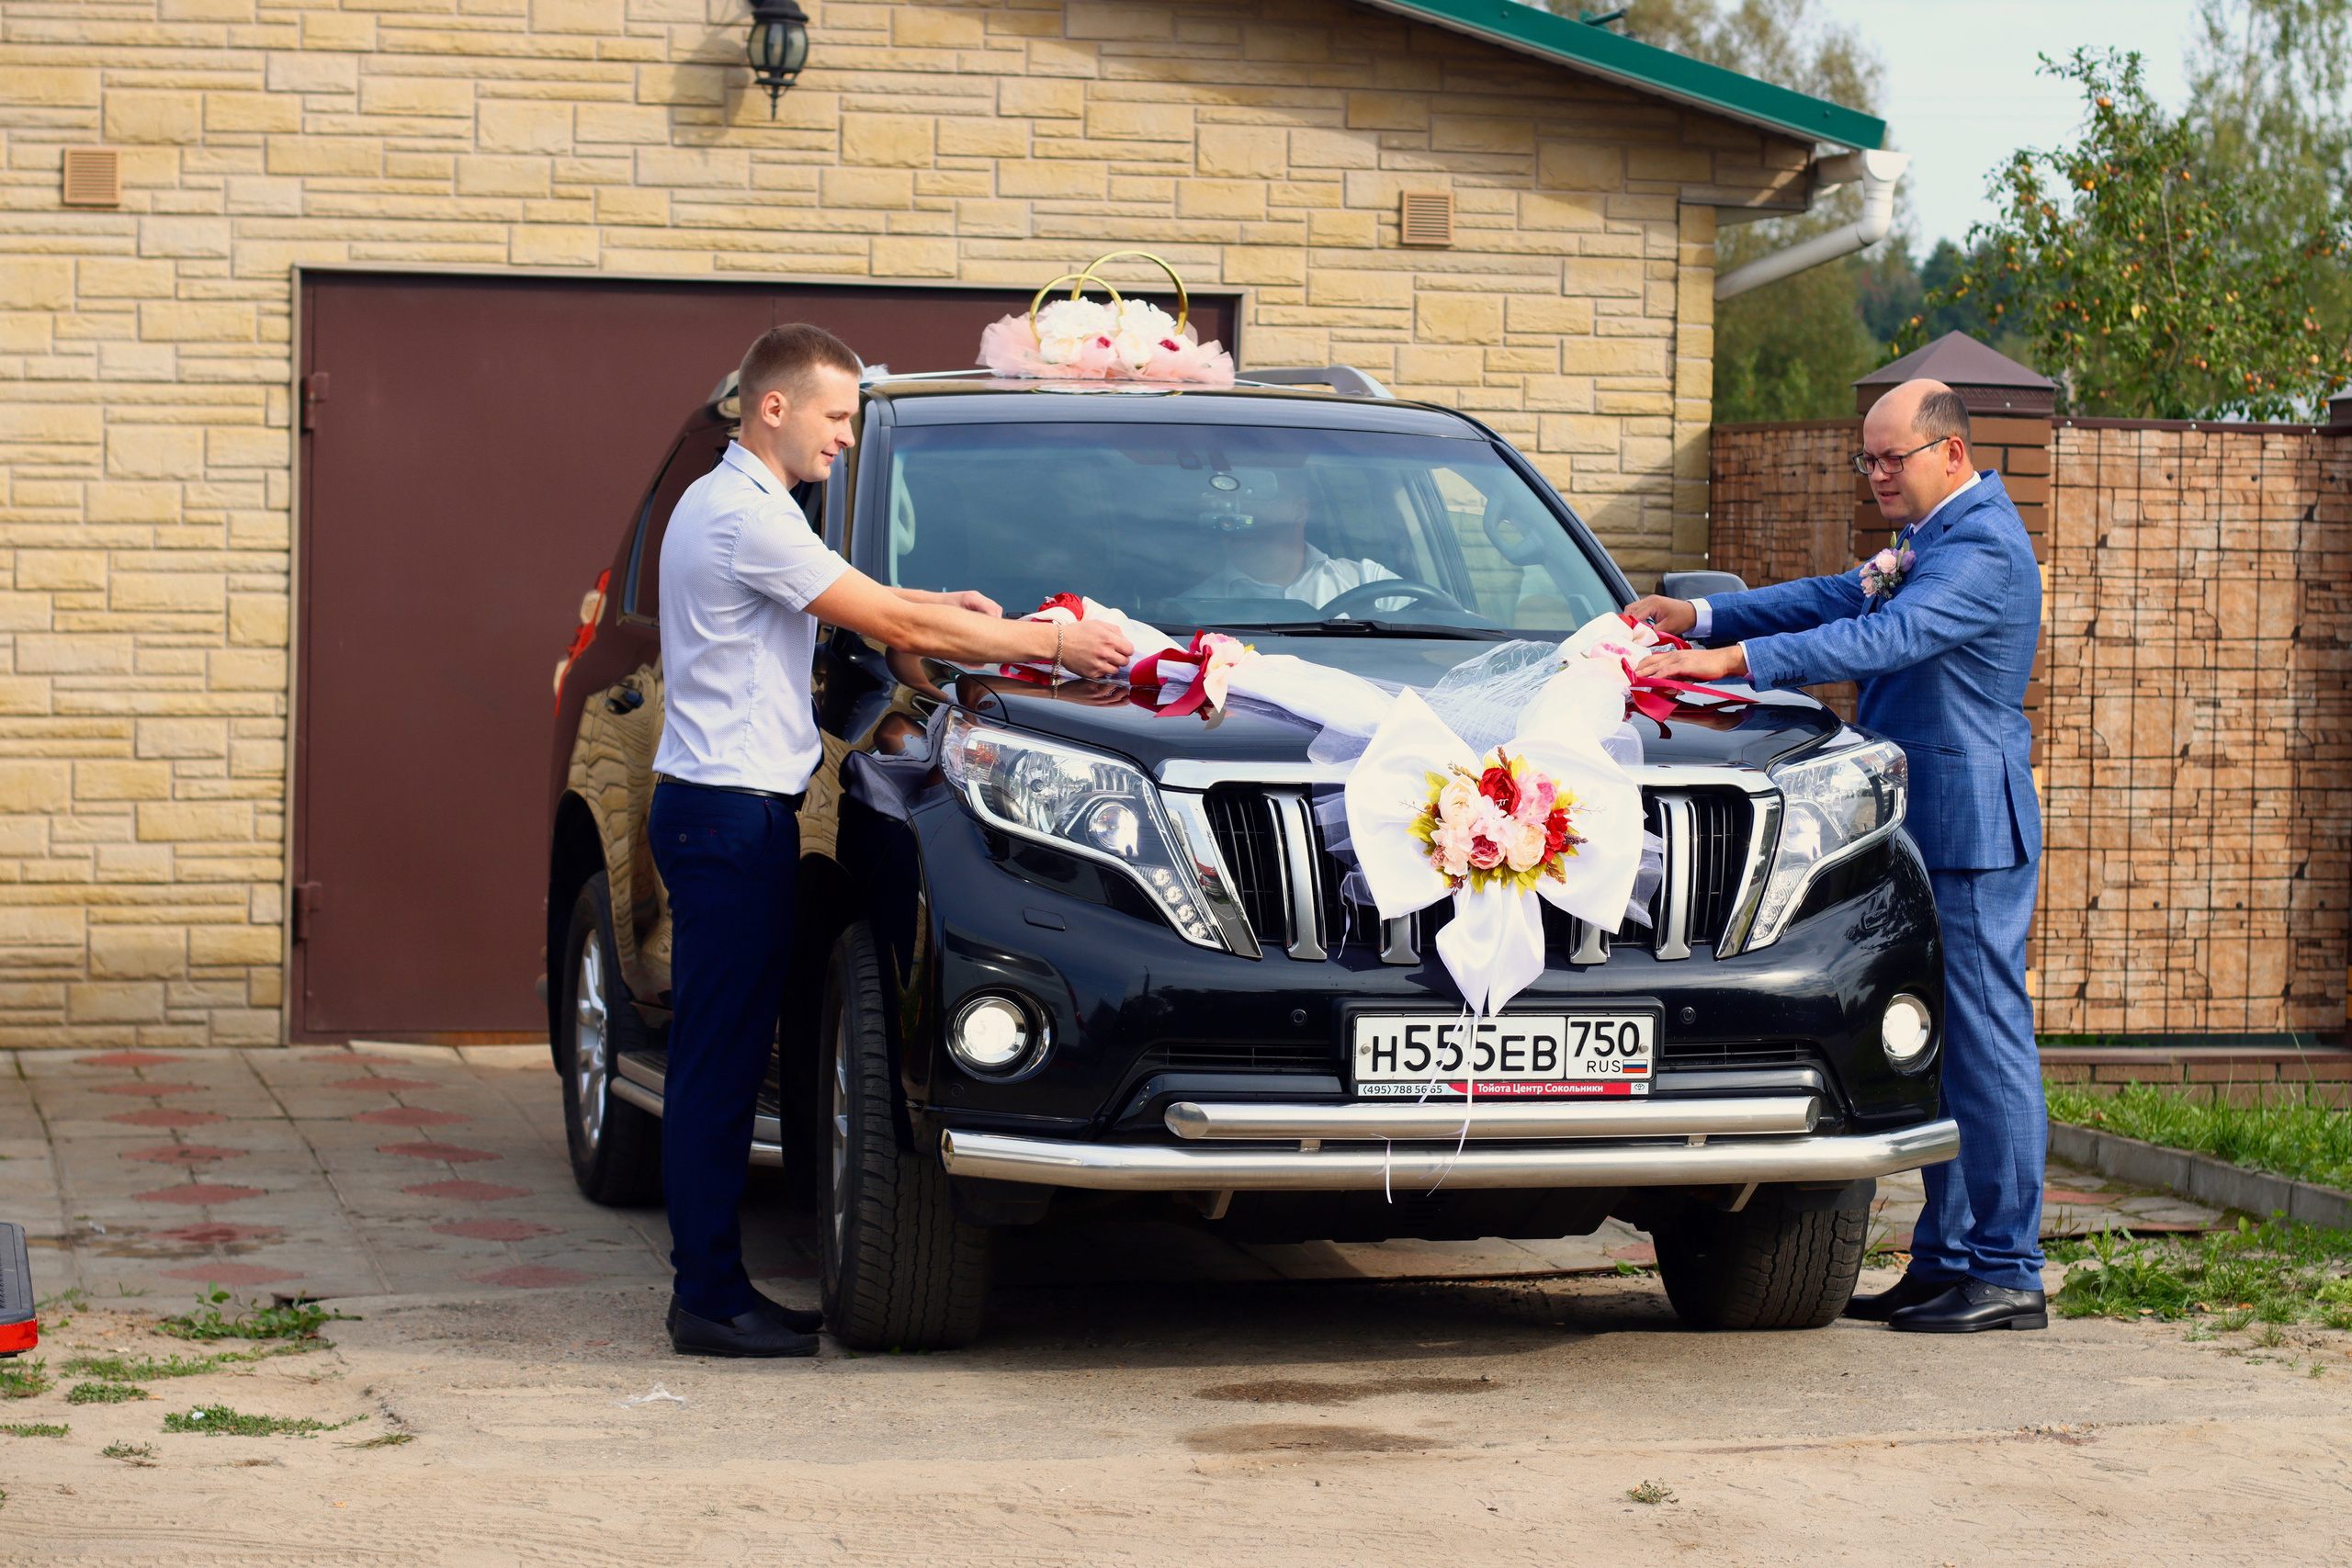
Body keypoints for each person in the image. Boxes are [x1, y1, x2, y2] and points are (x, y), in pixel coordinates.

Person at [650, 323, 1133, 1359]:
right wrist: (1051, 642)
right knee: (718, 1066)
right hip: (729, 817)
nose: (846, 437)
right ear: (773, 407)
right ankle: (708, 1299)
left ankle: (711, 1287)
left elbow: (866, 601)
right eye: (836, 417)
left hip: (720, 811)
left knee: (719, 1058)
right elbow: (885, 621)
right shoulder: (747, 516)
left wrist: (935, 604)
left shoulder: (736, 502)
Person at [1627, 378, 2048, 1336]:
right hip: (1924, 819)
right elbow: (1836, 595)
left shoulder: (1982, 543)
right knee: (1943, 1046)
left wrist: (1735, 665)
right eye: (1869, 459)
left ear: (1949, 451)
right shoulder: (1934, 534)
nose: (1876, 475)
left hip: (1971, 828)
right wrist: (1702, 619)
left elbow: (1888, 634)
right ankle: (1945, 1261)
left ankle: (2009, 1268)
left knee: (1985, 1043)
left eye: (1891, 458)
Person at [1181, 468, 1399, 610]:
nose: (1237, 516)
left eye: (1254, 497)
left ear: (1300, 512)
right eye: (1228, 505)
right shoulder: (1193, 608)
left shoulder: (1368, 581)